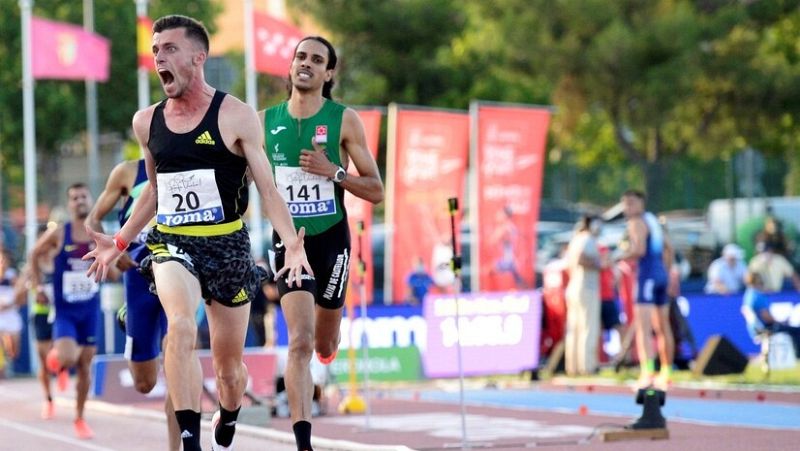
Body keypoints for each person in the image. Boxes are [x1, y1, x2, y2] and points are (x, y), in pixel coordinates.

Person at [83, 15, 311, 451]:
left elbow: (267, 187)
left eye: (169, 48)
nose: (158, 58)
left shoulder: (236, 115)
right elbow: (154, 192)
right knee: (182, 328)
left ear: (198, 57)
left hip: (227, 243)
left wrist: (293, 244)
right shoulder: (146, 122)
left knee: (229, 372)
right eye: (155, 51)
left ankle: (228, 412)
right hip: (173, 241)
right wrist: (119, 242)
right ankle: (189, 441)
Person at [260, 35, 384, 450]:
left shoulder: (343, 120)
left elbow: (376, 189)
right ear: (291, 65)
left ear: (329, 73)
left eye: (317, 59)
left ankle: (329, 351)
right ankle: (302, 441)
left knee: (324, 343)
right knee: (299, 341)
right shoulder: (264, 121)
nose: (306, 64)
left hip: (332, 238)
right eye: (300, 56)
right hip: (288, 243)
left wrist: (334, 172)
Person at [86, 158, 180, 451]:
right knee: (145, 383)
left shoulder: (188, 159)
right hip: (138, 275)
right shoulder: (128, 172)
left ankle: (176, 446)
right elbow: (93, 220)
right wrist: (114, 251)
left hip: (180, 267)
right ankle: (130, 316)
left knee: (177, 356)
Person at [30, 183, 105, 439]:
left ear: (91, 198)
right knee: (69, 359)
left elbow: (112, 261)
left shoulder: (99, 232)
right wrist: (38, 285)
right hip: (65, 312)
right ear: (69, 204)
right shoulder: (60, 233)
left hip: (90, 310)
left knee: (85, 366)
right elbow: (33, 254)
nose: (80, 201)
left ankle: (80, 418)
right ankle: (57, 359)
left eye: (83, 196)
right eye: (74, 198)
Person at [618, 190, 675, 390]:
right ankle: (666, 372)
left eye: (631, 203)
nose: (628, 208)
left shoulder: (636, 222)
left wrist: (617, 257)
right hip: (659, 274)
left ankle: (647, 372)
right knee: (662, 326)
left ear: (641, 203)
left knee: (644, 327)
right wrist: (667, 274)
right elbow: (669, 249)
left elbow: (639, 250)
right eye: (625, 203)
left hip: (647, 276)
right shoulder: (653, 220)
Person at [563, 215, 603, 376]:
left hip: (574, 285)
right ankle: (587, 366)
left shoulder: (576, 239)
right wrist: (599, 264)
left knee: (574, 328)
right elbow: (581, 259)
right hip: (587, 287)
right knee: (588, 327)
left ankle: (572, 366)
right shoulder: (587, 239)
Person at [742, 271, 800, 357]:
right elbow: (766, 316)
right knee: (796, 331)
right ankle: (797, 356)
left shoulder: (748, 294)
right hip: (765, 327)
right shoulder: (757, 296)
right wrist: (780, 322)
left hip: (754, 328)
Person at [0, 249, 22, 377]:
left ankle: (8, 360)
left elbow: (20, 297)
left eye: (4, 261)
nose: (2, 263)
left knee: (14, 351)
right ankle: (2, 369)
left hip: (11, 314)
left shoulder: (13, 276)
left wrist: (9, 305)